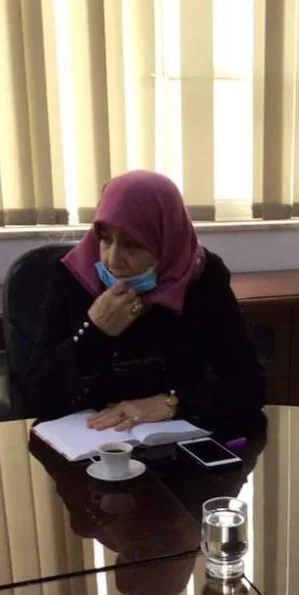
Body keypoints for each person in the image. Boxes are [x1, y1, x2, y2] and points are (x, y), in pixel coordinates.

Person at [20, 170, 265, 429]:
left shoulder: (202, 278)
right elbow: (36, 397)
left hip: (173, 440)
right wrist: (94, 331)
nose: (113, 261)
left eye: (132, 244)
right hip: (88, 438)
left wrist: (171, 403)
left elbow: (250, 385)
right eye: (106, 239)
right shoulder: (73, 279)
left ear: (166, 240)